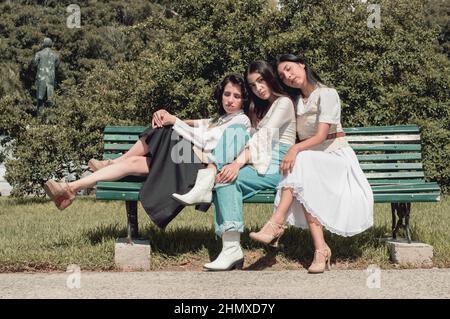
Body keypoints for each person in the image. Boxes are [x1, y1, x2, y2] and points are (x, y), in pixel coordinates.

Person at [43, 74, 251, 229]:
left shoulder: (241, 120)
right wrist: (166, 115)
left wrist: (172, 120)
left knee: (165, 130)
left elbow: (206, 141)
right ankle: (71, 188)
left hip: (198, 170)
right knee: (133, 163)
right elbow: (197, 124)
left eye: (236, 96)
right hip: (184, 162)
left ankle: (112, 163)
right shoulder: (221, 118)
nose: (230, 100)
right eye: (226, 94)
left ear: (244, 100)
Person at [249, 54, 374, 273]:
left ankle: (276, 223)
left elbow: (321, 135)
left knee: (303, 162)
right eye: (282, 75)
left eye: (289, 69)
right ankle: (320, 249)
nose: (287, 76)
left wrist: (295, 149)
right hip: (312, 162)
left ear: (302, 64)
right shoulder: (294, 101)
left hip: (336, 157)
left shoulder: (327, 94)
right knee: (305, 178)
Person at [202, 60, 296, 271]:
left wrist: (236, 164)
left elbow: (263, 137)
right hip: (260, 160)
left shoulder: (284, 103)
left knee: (227, 179)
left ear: (270, 78)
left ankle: (231, 249)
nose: (258, 88)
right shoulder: (261, 108)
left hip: (278, 164)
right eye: (253, 85)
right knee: (223, 178)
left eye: (261, 81)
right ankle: (230, 248)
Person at [33, 37, 60, 115]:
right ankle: (50, 120)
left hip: (41, 79)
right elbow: (57, 66)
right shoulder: (56, 55)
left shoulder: (39, 54)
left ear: (43, 44)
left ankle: (39, 119)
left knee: (40, 100)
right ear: (51, 45)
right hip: (51, 80)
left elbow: (34, 64)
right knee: (50, 101)